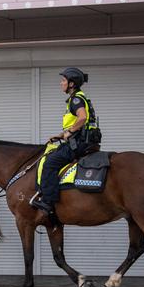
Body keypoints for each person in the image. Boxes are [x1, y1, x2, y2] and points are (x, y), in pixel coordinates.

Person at [32, 67, 101, 216]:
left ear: (71, 84)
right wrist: (60, 135)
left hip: (80, 143)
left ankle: (48, 202)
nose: (60, 83)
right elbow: (78, 122)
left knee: (50, 162)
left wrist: (69, 132)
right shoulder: (80, 98)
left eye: (63, 80)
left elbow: (82, 118)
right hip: (84, 140)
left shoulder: (75, 99)